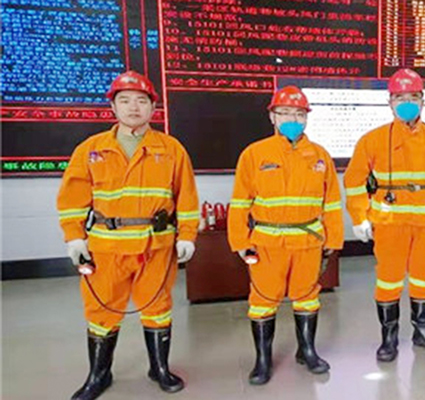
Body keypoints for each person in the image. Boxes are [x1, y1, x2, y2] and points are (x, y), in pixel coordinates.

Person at [57, 71, 199, 399]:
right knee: (101, 311)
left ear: (153, 108)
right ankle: (98, 375)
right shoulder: (91, 149)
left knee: (158, 307)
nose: (133, 107)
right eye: (125, 101)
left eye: (141, 101)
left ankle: (159, 369)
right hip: (106, 249)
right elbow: (72, 199)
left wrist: (187, 235)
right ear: (113, 107)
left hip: (156, 247)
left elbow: (187, 197)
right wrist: (74, 237)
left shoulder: (172, 149)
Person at [344, 68, 425, 361]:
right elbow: (354, 181)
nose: (407, 103)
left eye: (413, 97)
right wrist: (359, 217)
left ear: (423, 100)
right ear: (390, 102)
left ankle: (423, 331)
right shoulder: (372, 139)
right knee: (388, 278)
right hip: (390, 223)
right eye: (400, 97)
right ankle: (388, 338)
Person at [227, 86, 344, 384]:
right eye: (286, 113)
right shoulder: (254, 154)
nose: (293, 119)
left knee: (307, 298)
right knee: (263, 300)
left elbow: (332, 203)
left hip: (308, 241)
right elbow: (240, 202)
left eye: (299, 114)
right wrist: (240, 241)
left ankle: (307, 351)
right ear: (272, 116)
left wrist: (333, 240)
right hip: (267, 243)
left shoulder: (320, 156)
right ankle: (263, 360)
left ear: (307, 118)